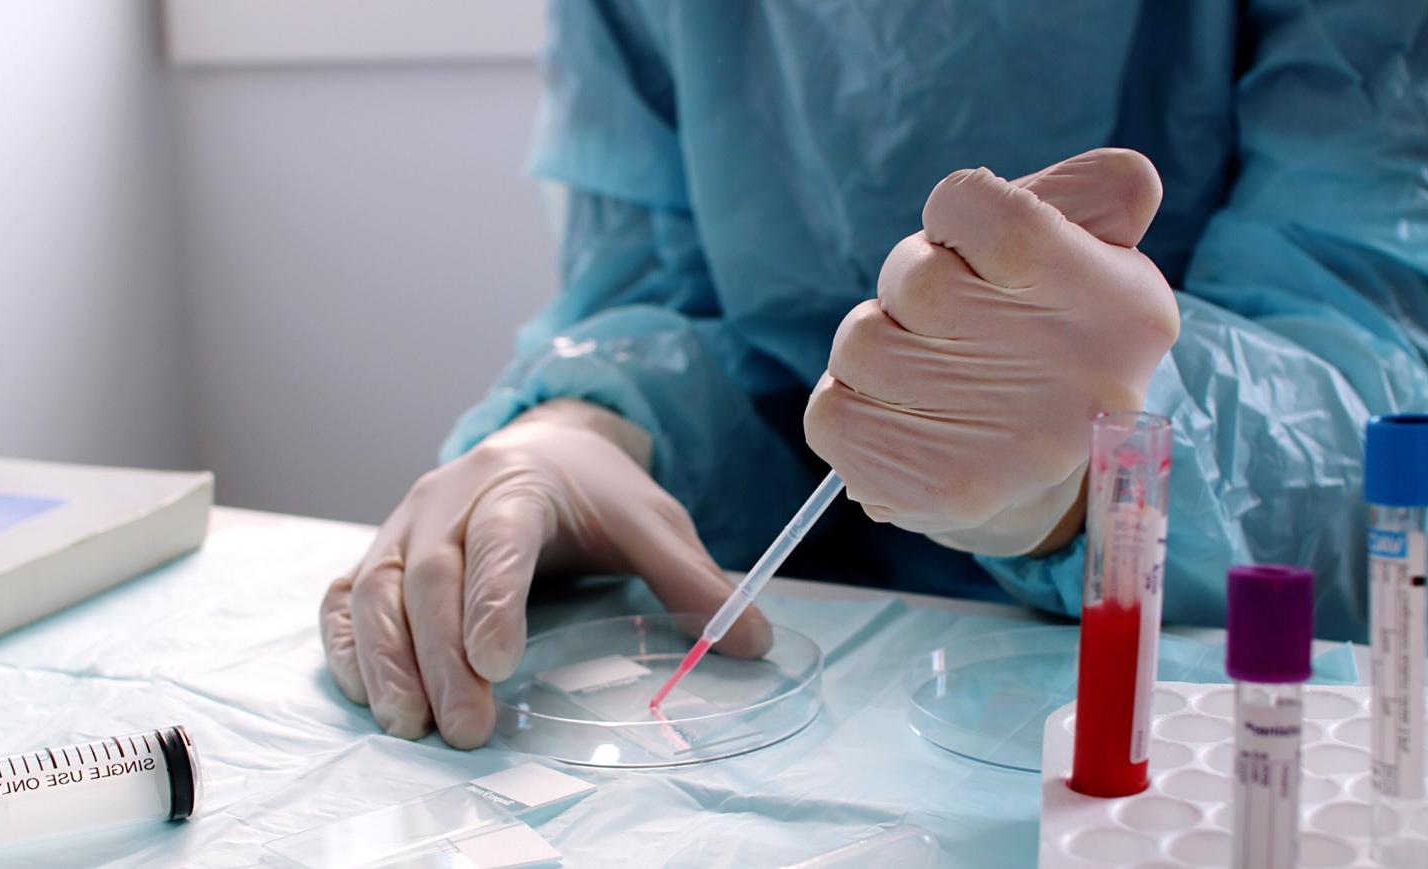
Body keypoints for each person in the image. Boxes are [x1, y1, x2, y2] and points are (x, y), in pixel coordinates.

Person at [321, 1, 1428, 748]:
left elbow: (1371, 333)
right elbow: (666, 286)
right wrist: (584, 428)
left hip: (1196, 709)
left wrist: (1112, 471)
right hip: (833, 666)